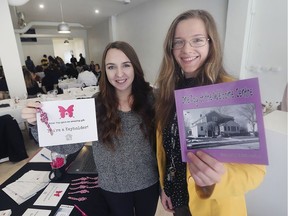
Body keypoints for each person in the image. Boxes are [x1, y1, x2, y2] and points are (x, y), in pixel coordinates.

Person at [21, 41, 159, 216]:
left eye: (126, 65)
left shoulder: (153, 99)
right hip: (113, 187)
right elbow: (69, 147)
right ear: (103, 70)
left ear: (135, 67)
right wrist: (36, 124)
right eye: (111, 67)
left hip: (149, 182)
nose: (119, 73)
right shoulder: (94, 105)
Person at [155, 9, 266, 216]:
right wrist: (165, 187)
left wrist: (220, 178)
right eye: (178, 42)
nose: (186, 49)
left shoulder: (233, 92)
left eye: (197, 40)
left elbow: (255, 171)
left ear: (210, 43)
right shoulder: (169, 90)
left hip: (214, 206)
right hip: (178, 199)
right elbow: (167, 148)